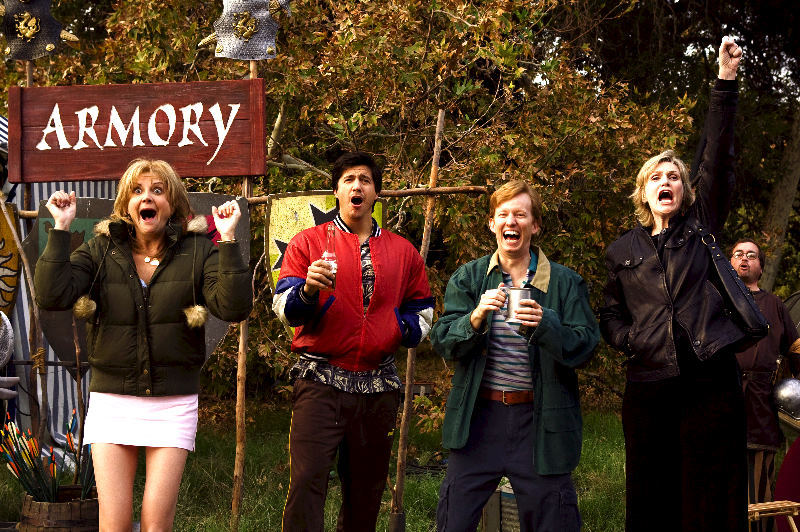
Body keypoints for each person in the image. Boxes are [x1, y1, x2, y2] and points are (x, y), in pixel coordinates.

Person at [34, 158, 252, 531]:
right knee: (114, 524)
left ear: (173, 204)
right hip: (113, 400)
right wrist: (60, 228)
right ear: (125, 204)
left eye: (157, 190)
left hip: (173, 402)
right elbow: (51, 294)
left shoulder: (199, 250)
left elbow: (233, 306)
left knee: (155, 524)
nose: (146, 197)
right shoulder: (100, 250)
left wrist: (228, 239)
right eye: (137, 191)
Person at [600, 37, 747, 532]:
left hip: (709, 381)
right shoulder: (622, 252)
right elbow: (611, 314)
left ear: (684, 190)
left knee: (709, 494)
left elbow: (718, 156)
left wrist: (725, 83)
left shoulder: (701, 225)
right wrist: (629, 339)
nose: (666, 181)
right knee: (651, 491)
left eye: (674, 176)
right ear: (643, 192)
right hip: (649, 386)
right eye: (655, 177)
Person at [272, 151, 434, 532]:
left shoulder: (403, 251)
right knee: (307, 483)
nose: (356, 186)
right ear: (336, 192)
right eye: (348, 179)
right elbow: (283, 308)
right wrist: (308, 292)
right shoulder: (307, 244)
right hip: (319, 381)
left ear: (376, 193)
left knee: (366, 492)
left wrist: (397, 328)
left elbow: (424, 312)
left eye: (365, 179)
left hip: (378, 388)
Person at [431, 179, 600, 532]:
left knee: (553, 521)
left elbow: (587, 347)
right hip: (479, 420)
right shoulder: (470, 277)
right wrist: (474, 318)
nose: (511, 221)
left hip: (540, 421)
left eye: (520, 215)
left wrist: (546, 324)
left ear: (534, 225)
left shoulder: (565, 283)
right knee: (454, 521)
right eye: (503, 214)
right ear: (492, 223)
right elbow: (443, 342)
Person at [730, 239, 800, 532]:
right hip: (721, 402)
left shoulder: (775, 305)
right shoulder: (716, 301)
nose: (744, 258)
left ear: (760, 267)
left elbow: (795, 352)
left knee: (760, 494)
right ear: (729, 264)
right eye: (737, 254)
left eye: (751, 255)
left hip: (761, 407)